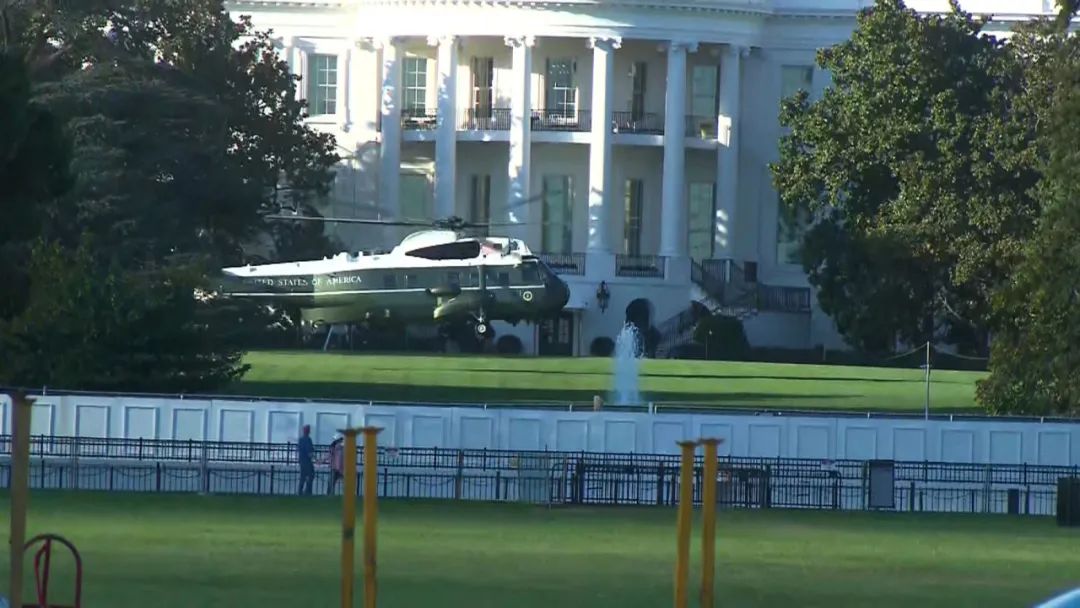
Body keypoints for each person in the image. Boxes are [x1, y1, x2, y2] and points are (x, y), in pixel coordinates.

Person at [297, 424, 314, 495]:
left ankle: (300, 491)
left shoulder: (300, 439)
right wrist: (312, 456)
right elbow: (309, 450)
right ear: (308, 431)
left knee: (303, 476)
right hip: (307, 460)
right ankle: (307, 491)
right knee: (311, 475)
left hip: (302, 460)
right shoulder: (308, 439)